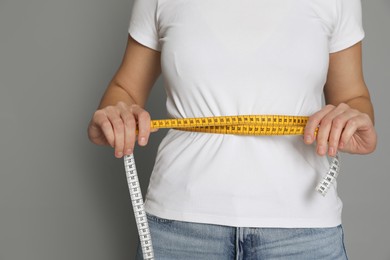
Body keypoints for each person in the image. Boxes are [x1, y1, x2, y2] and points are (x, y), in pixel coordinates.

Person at [87, 0, 377, 259]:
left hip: (303, 231)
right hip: (180, 229)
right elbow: (124, 89)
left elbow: (352, 97)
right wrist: (116, 114)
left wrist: (352, 119)